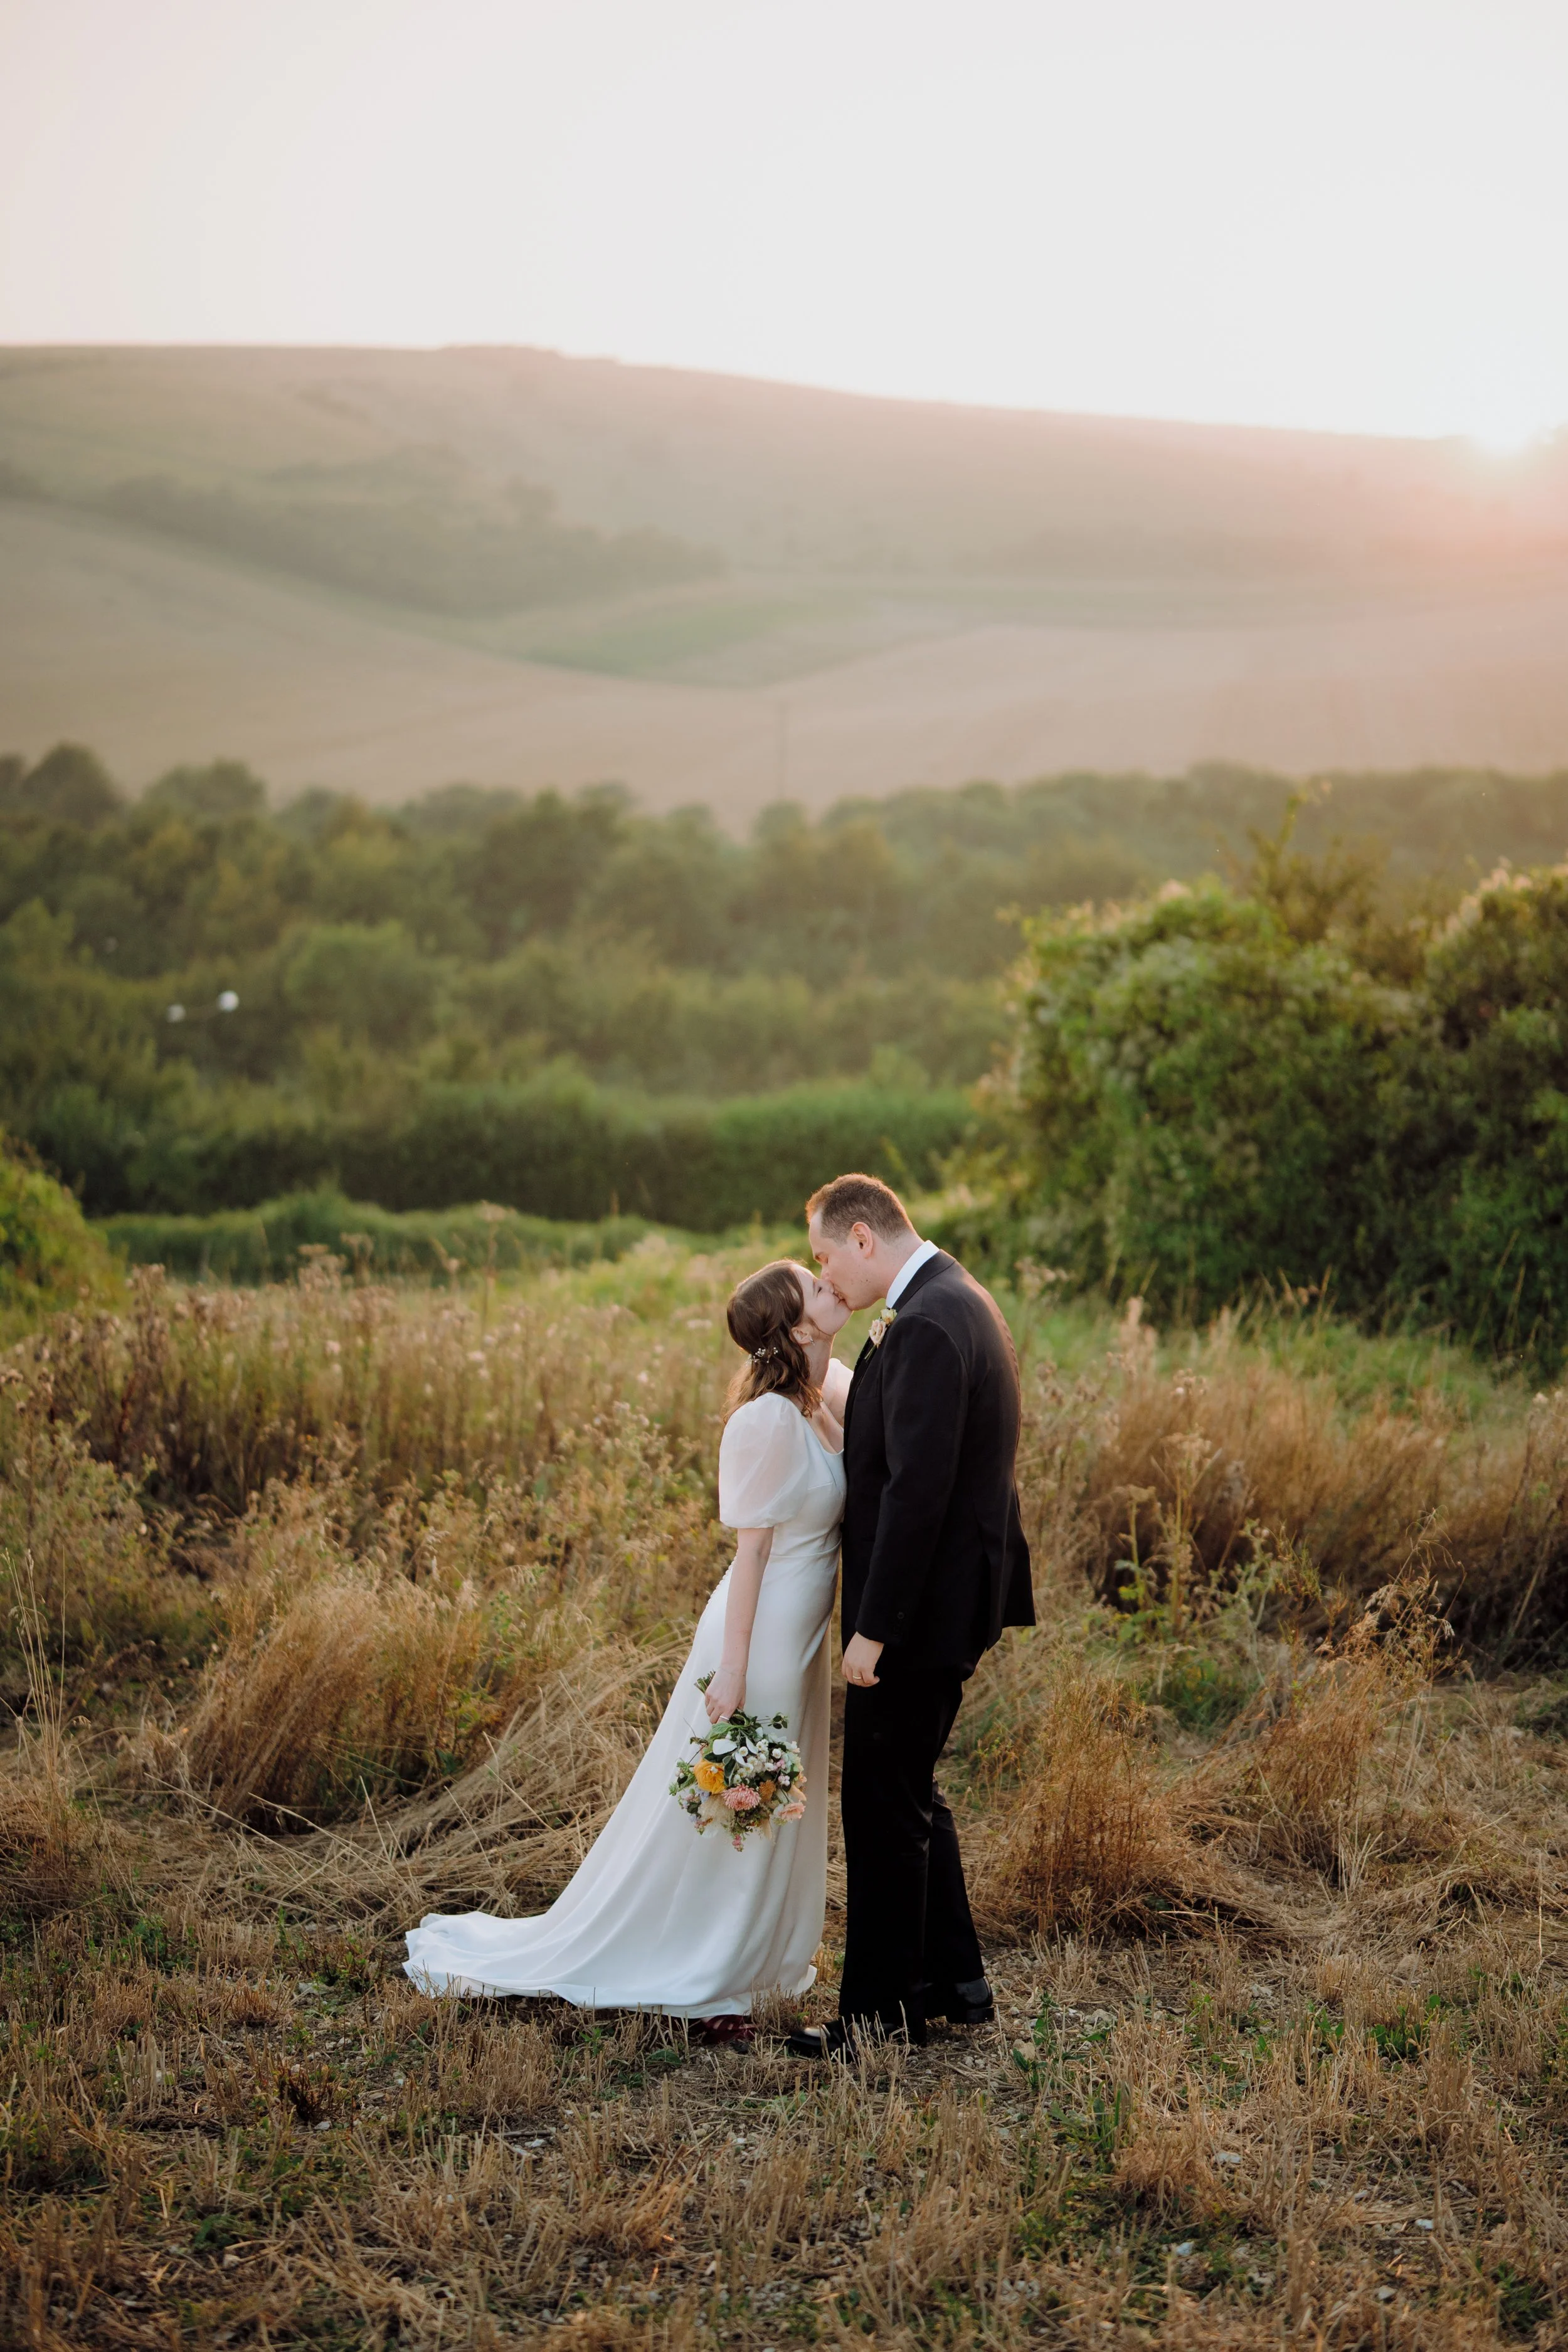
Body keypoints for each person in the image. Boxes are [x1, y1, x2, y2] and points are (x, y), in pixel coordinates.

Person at [403, 1259, 851, 2016]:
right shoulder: (767, 1420)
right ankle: (711, 1960)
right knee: (745, 1798)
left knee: (777, 1798)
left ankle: (756, 1951)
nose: (829, 1283)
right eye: (814, 1285)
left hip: (800, 1638)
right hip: (762, 1638)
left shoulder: (815, 1401)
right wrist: (733, 1671)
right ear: (794, 1324)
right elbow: (750, 1557)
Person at [787, 1173, 1034, 2058]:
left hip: (922, 1607)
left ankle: (877, 2020)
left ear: (863, 1238)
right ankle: (949, 1984)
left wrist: (874, 1628)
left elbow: (918, 1493)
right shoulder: (946, 1296)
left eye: (825, 1255)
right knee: (910, 1793)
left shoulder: (926, 1319)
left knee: (883, 1804)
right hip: (950, 1594)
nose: (827, 1275)